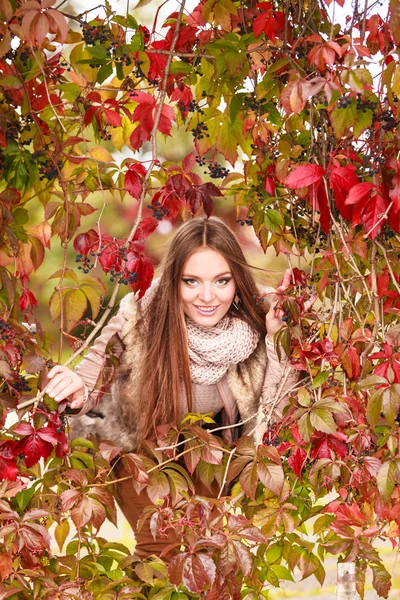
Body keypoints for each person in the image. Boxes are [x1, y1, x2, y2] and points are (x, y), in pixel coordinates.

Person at [45, 217, 299, 557]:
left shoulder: (260, 316)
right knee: (161, 550)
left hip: (212, 450)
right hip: (140, 449)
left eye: (222, 281)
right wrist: (77, 389)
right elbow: (92, 371)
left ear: (237, 280)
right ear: (173, 281)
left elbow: (275, 412)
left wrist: (275, 338)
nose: (207, 296)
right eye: (191, 281)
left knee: (209, 557)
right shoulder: (141, 316)